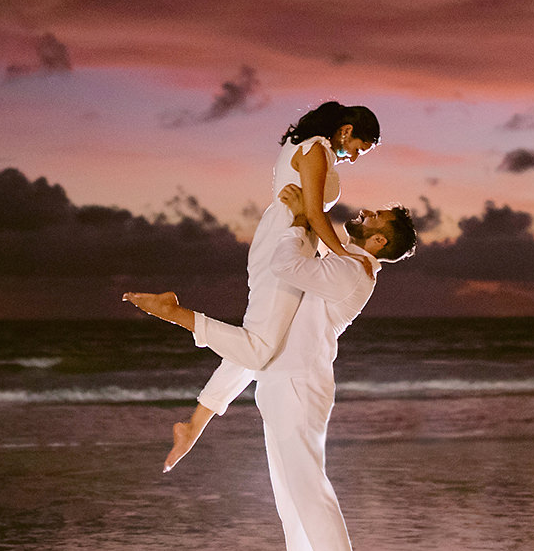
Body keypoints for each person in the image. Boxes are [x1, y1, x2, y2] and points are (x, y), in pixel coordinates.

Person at [125, 182, 417, 551]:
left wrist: (299, 221)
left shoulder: (352, 271)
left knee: (307, 487)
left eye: (377, 218)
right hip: (282, 381)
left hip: (299, 385)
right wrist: (199, 420)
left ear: (378, 241)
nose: (366, 212)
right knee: (288, 492)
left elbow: (284, 265)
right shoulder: (341, 262)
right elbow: (263, 339)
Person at [162, 102, 381, 473]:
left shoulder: (316, 149)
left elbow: (311, 214)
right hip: (284, 243)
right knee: (261, 346)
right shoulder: (315, 149)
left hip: (293, 242)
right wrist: (344, 253)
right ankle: (175, 314)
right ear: (346, 131)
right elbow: (314, 213)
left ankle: (194, 426)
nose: (357, 157)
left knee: (263, 342)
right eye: (360, 147)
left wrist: (328, 252)